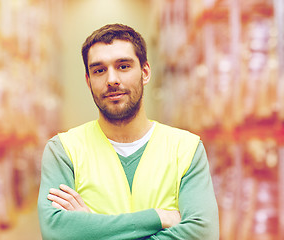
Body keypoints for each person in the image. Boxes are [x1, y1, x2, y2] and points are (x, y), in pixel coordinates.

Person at [37, 23, 219, 240]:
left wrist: (91, 229)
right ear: (88, 81)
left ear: (145, 72)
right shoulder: (63, 151)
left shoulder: (186, 149)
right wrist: (157, 218)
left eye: (123, 66)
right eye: (99, 70)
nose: (112, 79)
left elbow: (202, 234)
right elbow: (57, 231)